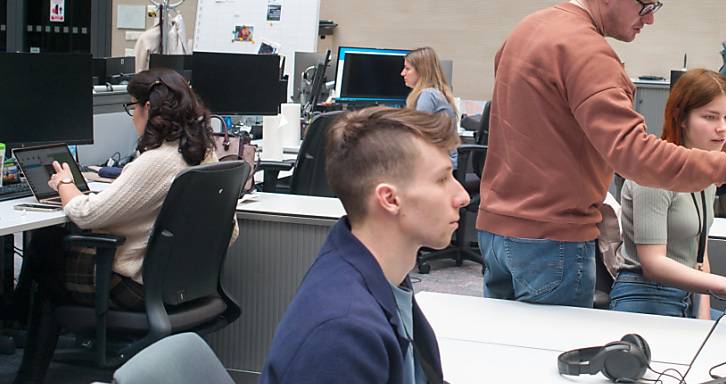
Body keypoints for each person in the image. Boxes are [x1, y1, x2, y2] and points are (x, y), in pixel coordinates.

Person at [477, 0, 726, 308]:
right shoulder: (588, 53)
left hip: (496, 231)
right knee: (552, 358)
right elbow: (636, 156)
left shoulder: (527, 30)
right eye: (645, 7)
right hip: (552, 239)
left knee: (507, 351)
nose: (649, 21)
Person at [10, 69, 229, 383]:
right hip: (184, 284)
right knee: (50, 248)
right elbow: (229, 231)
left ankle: (27, 370)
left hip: (138, 287)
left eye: (132, 107)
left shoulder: (156, 161)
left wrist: (64, 184)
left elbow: (86, 214)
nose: (131, 116)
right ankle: (21, 328)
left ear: (149, 109)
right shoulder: (204, 155)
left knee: (47, 254)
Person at [261, 107, 468, 384]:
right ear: (390, 199)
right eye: (442, 179)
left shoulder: (384, 275)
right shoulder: (341, 336)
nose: (463, 196)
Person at [610, 69, 726, 318]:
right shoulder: (655, 173)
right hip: (646, 298)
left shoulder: (707, 170)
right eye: (710, 117)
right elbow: (653, 264)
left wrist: (704, 315)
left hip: (687, 295)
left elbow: (700, 252)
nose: (722, 129)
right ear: (681, 118)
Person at [402, 46, 459, 169]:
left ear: (422, 71)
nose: (402, 73)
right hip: (441, 162)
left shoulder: (428, 95)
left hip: (438, 165)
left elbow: (418, 134)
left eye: (407, 69)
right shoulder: (437, 92)